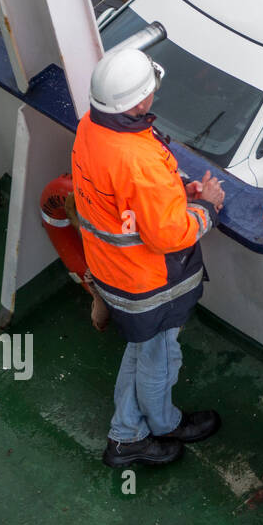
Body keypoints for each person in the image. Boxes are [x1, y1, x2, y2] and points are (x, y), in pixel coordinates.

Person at [71, 48, 225, 468]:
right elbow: (170, 235)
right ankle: (155, 427)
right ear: (139, 102)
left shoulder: (92, 127)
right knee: (159, 354)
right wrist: (206, 205)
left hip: (113, 272)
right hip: (147, 282)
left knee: (142, 351)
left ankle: (126, 434)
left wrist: (176, 193)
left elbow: (131, 197)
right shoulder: (137, 160)